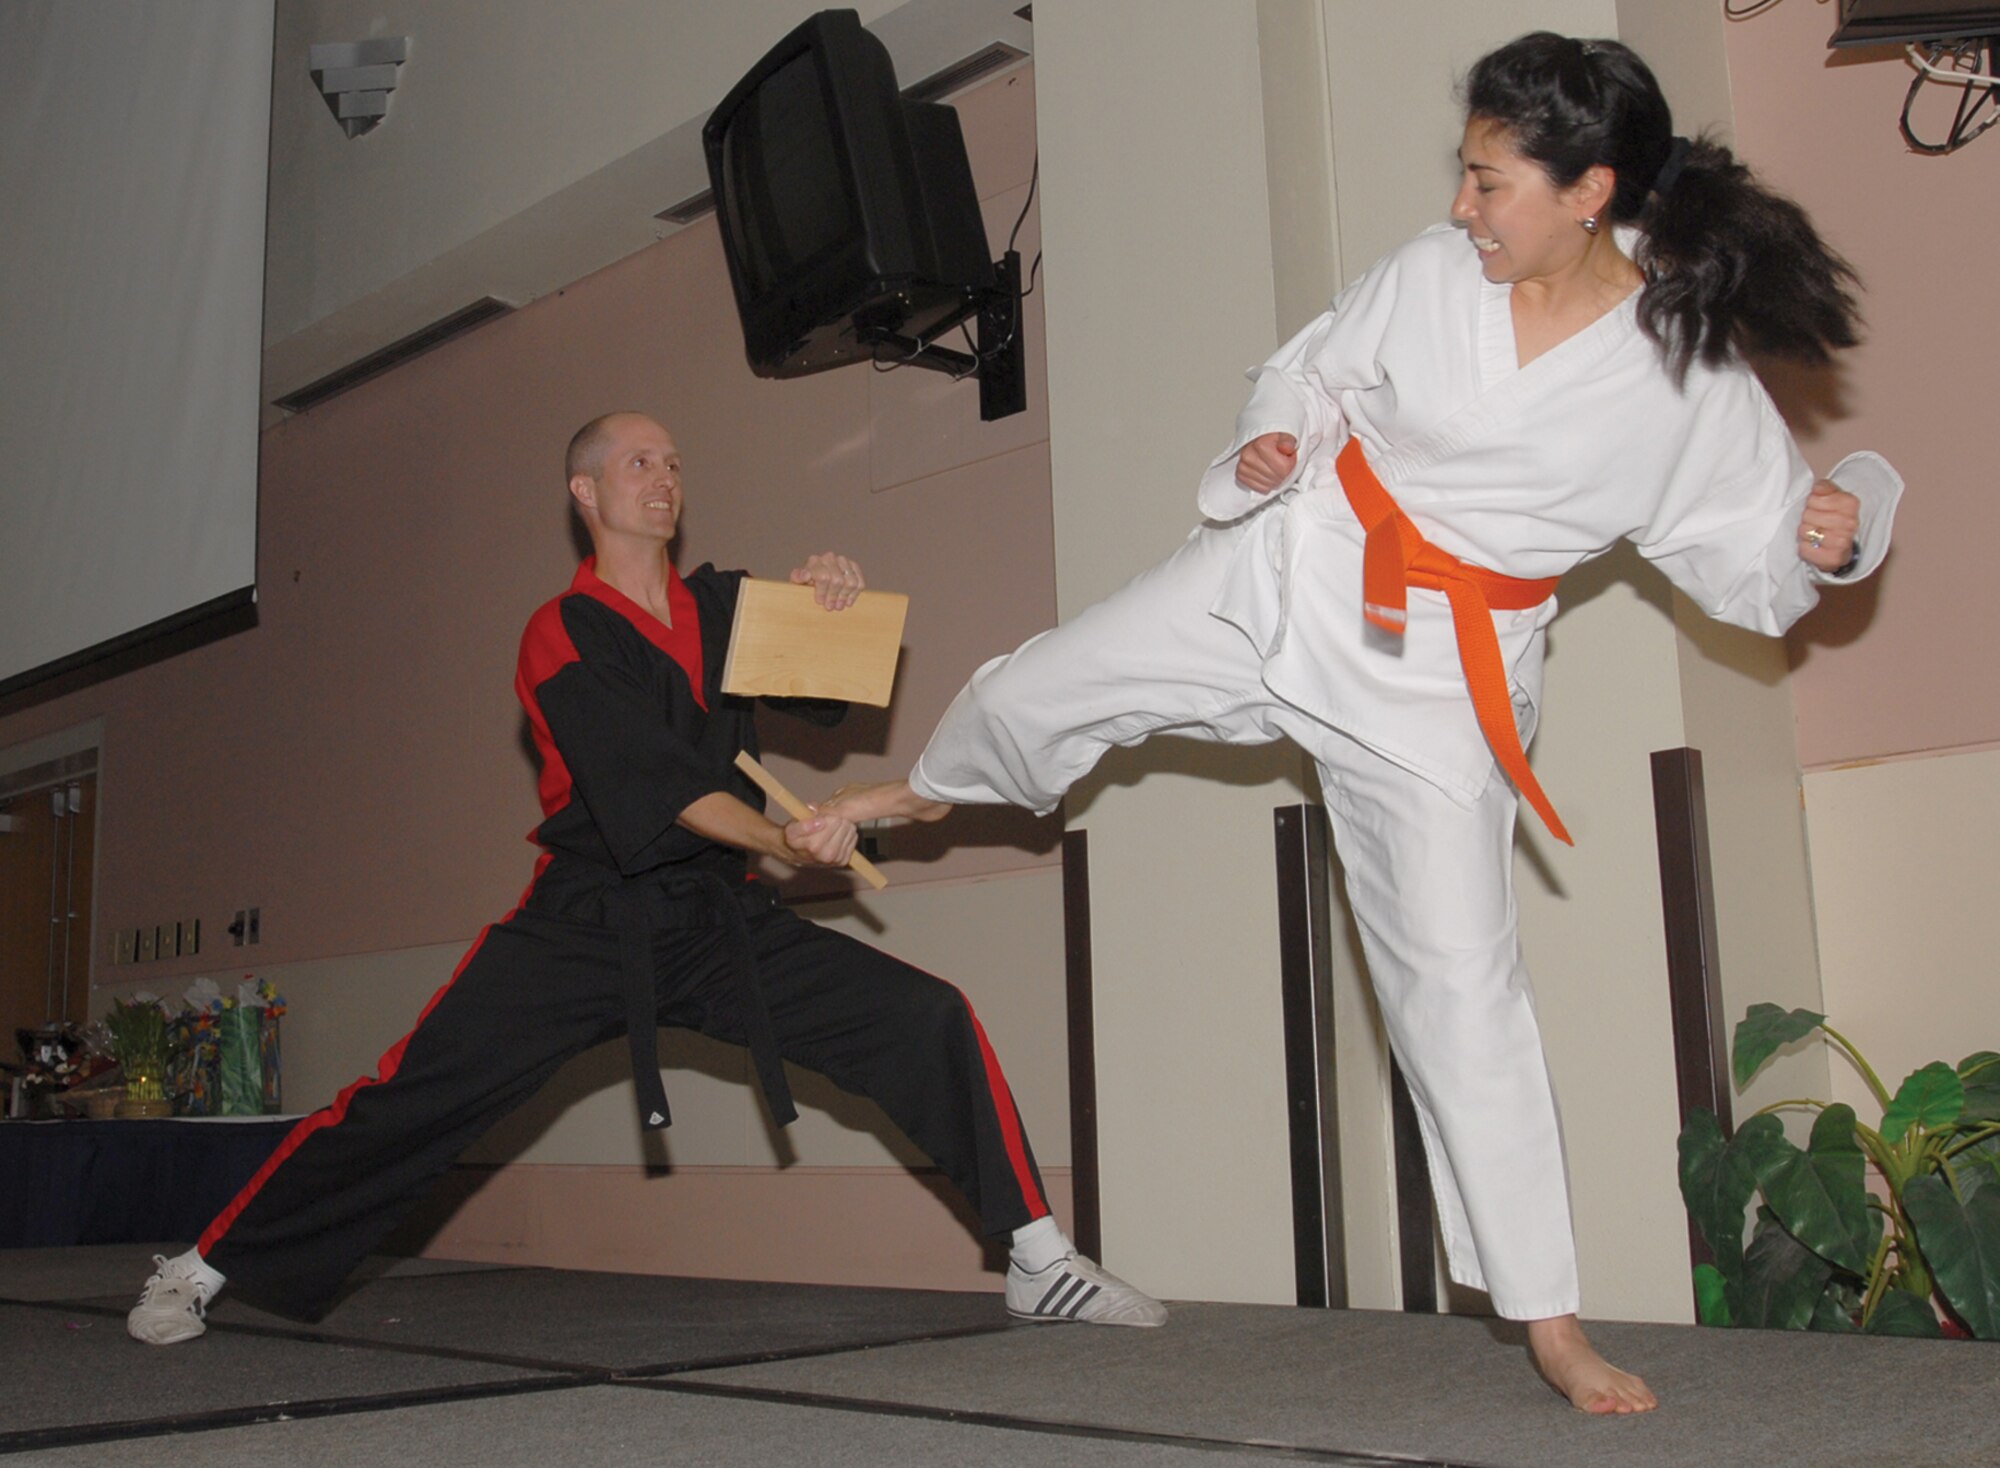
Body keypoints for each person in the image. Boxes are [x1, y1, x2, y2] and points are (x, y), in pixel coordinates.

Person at [824, 33, 1903, 1415]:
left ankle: (1552, 1320)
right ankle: (924, 792)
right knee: (1049, 683)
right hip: (1300, 565)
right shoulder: (1433, 274)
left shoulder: (1682, 377)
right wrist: (1276, 436)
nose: (1464, 207)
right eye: (1465, 174)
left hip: (1442, 681)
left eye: (1491, 181)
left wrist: (1830, 534)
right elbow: (1316, 367)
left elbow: (1752, 564)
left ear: (1591, 192)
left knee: (1463, 994)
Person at [127, 411, 1164, 1345]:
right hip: (585, 919)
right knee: (409, 1100)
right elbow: (655, 789)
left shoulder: (723, 603)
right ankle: (198, 1267)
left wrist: (831, 599)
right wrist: (775, 834)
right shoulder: (559, 630)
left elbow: (837, 687)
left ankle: (1037, 1260)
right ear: (586, 493)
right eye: (636, 461)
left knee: (924, 1017)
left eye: (672, 459)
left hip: (718, 915)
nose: (662, 476)